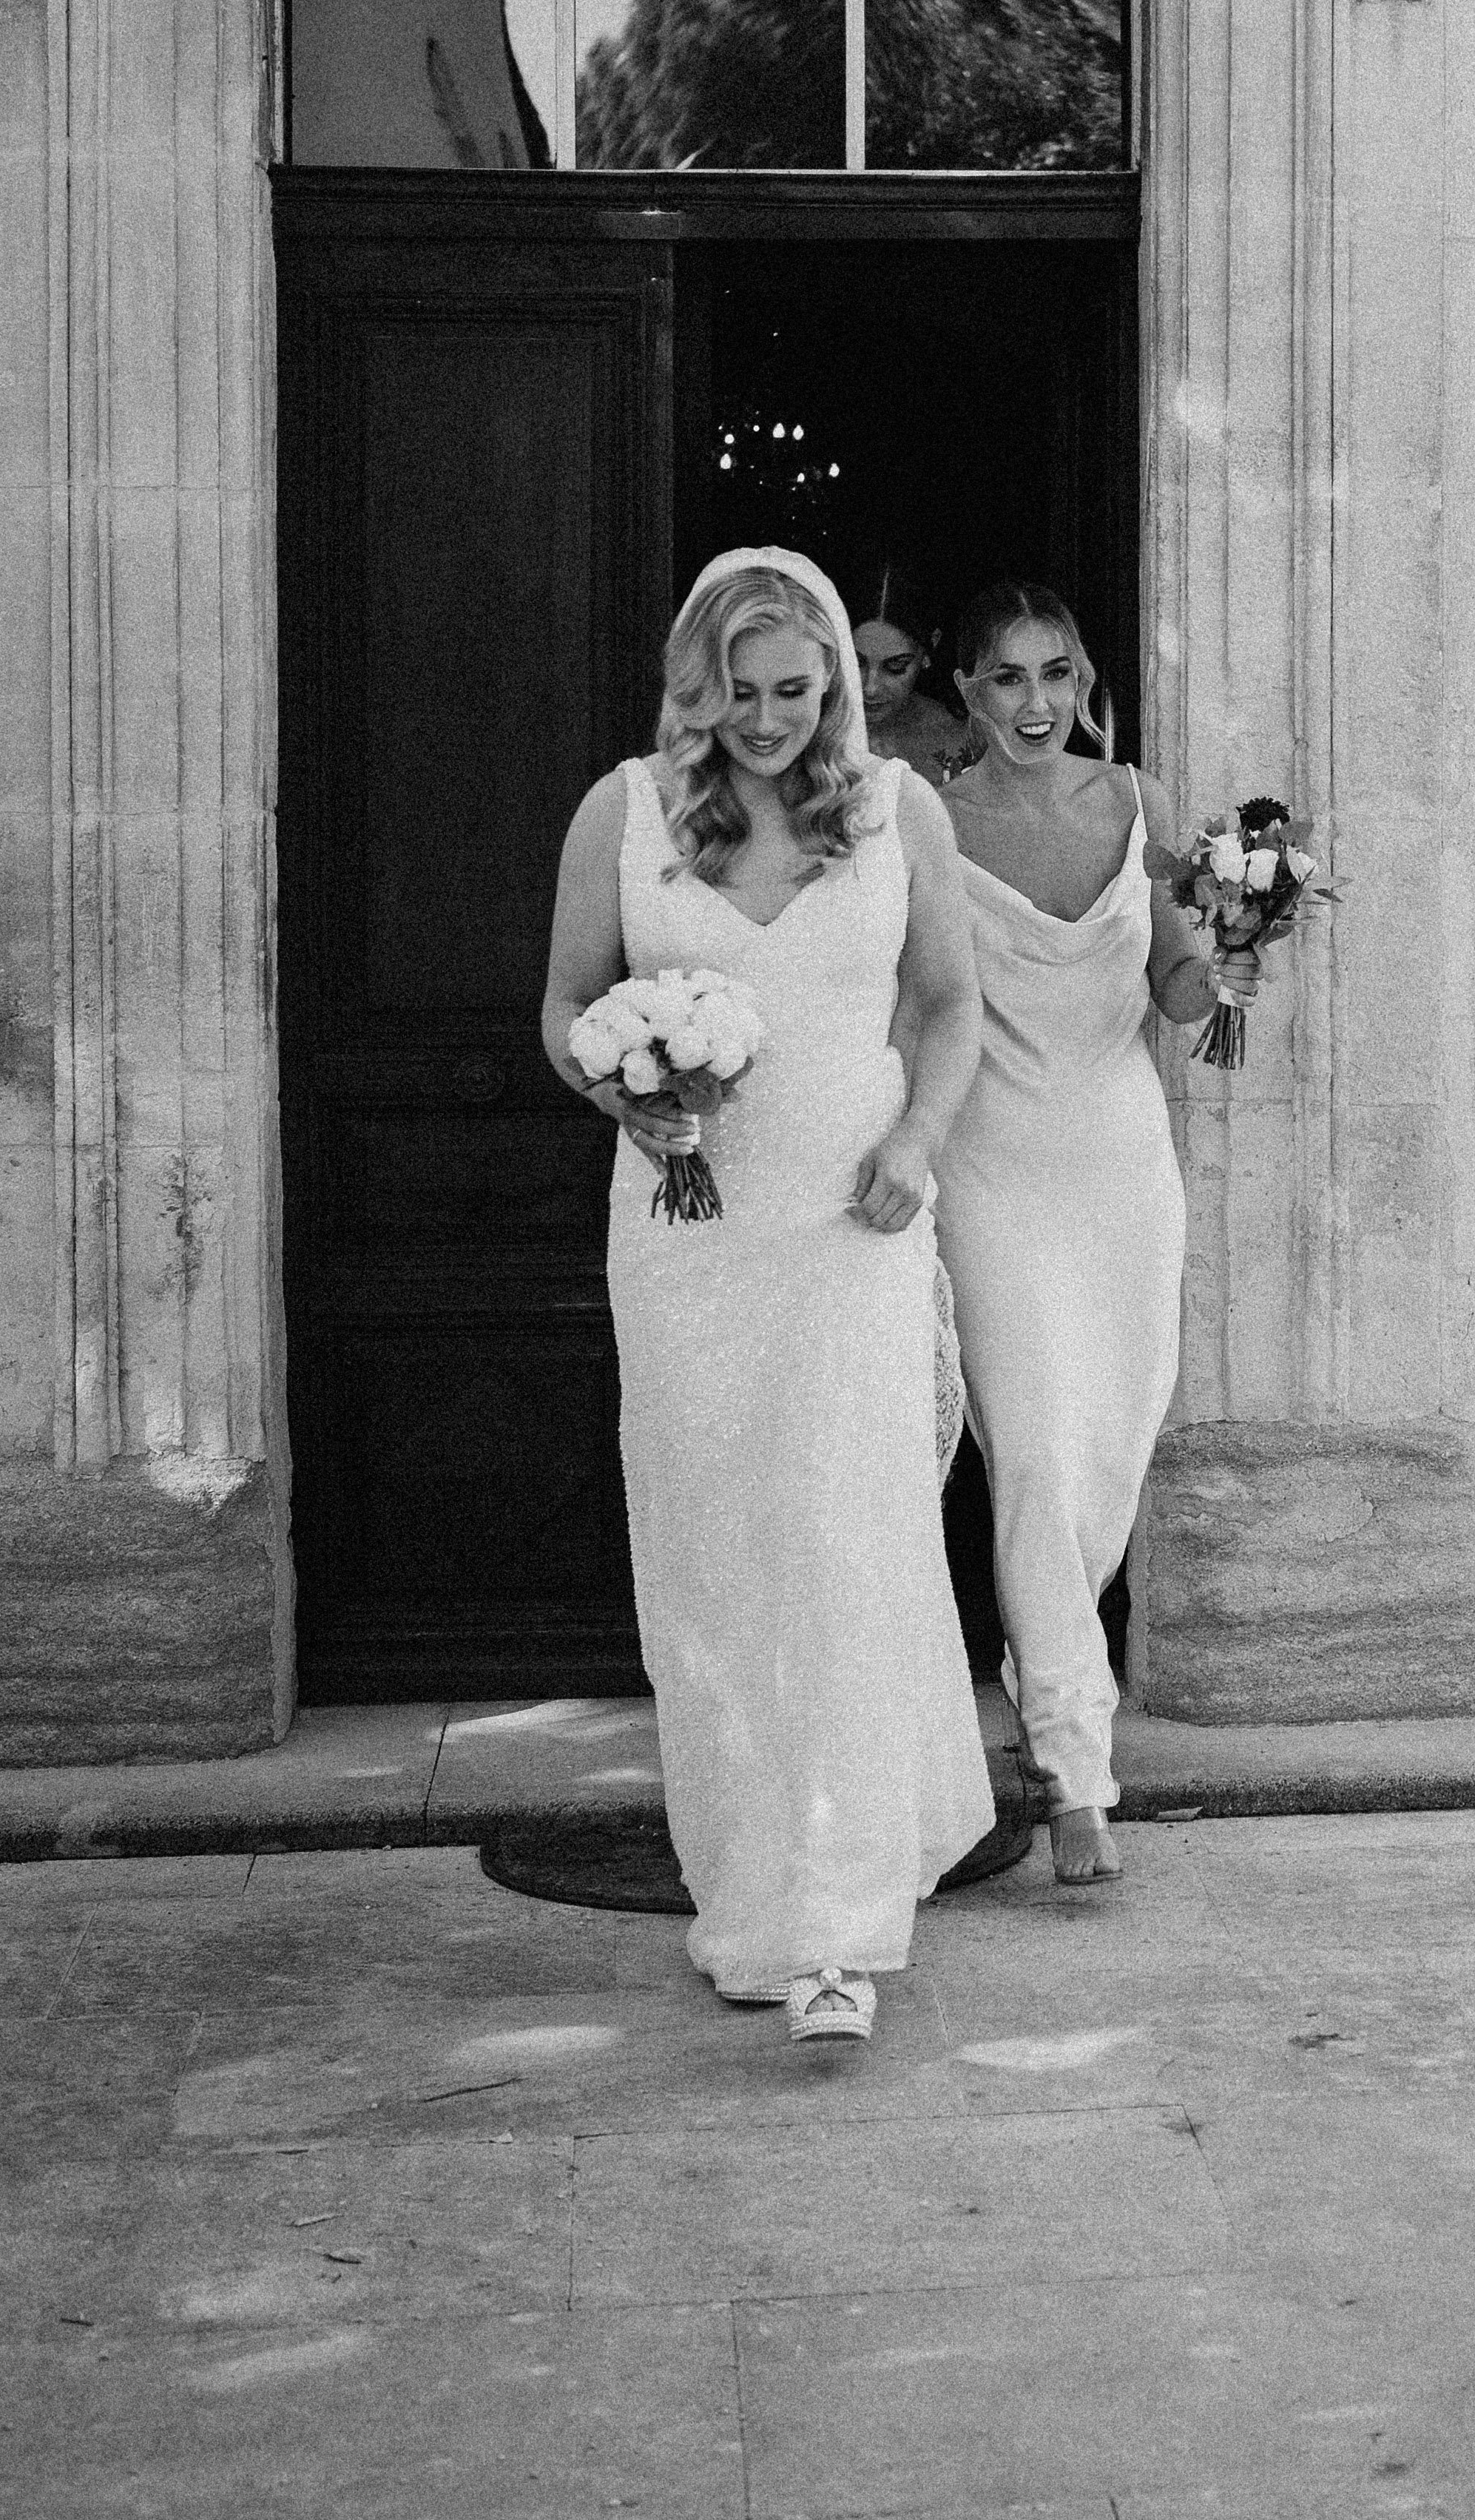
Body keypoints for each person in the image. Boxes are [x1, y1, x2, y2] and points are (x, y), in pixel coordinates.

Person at [536, 547, 996, 2044]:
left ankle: (840, 1929)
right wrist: (626, 1092)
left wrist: (916, 1147)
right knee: (715, 1551)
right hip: (691, 1243)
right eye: (738, 692)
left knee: (846, 1543)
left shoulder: (896, 811)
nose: (769, 718)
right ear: (694, 683)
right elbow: (561, 1007)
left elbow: (948, 1005)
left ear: (840, 687)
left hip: (852, 1229)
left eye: (797, 690)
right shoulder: (624, 811)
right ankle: (749, 1888)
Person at [930, 581, 1243, 1887]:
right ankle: (1074, 1768)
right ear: (964, 694)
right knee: (1041, 1458)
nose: (1036, 702)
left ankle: (1043, 1677)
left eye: (1055, 672)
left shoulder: (1136, 803)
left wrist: (1231, 951)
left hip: (1121, 1167)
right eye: (1005, 678)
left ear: (1085, 676)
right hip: (992, 1166)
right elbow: (918, 1004)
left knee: (1109, 1452)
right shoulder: (931, 824)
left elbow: (1172, 987)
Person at [848, 559, 979, 783]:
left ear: (929, 649)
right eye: (855, 663)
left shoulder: (959, 740)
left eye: (896, 668)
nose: (870, 688)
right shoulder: (808, 725)